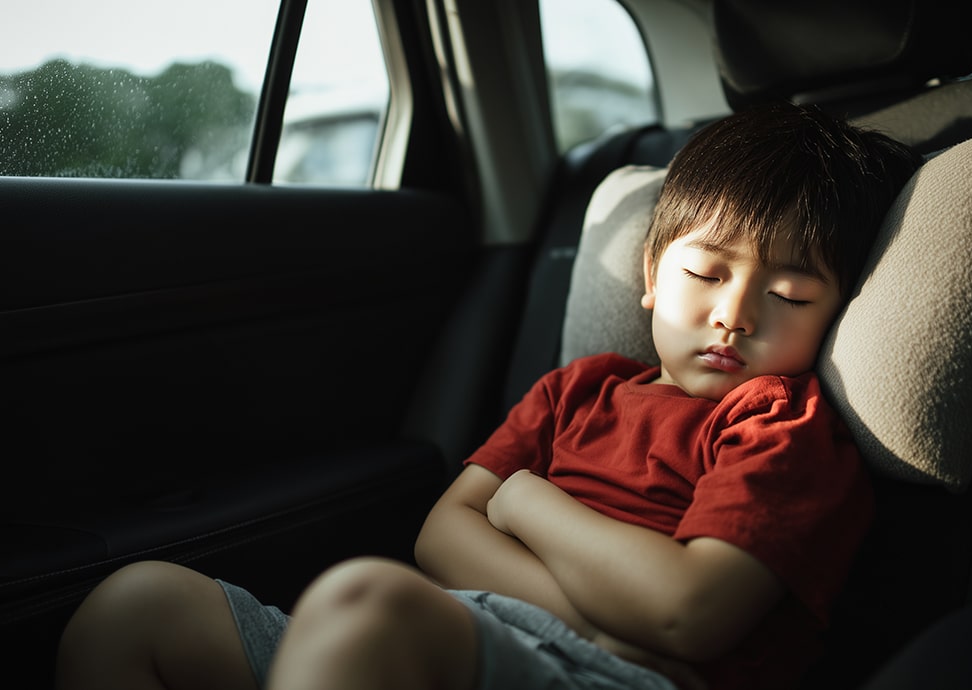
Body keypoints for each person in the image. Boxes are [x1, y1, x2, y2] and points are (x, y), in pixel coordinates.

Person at [54, 101, 921, 690]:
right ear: (653, 277)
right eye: (708, 272)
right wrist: (606, 616)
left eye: (792, 297)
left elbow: (686, 613)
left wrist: (523, 498)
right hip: (475, 629)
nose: (734, 316)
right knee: (140, 602)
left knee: (369, 601)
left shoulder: (779, 425)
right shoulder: (578, 390)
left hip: (620, 679)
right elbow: (440, 538)